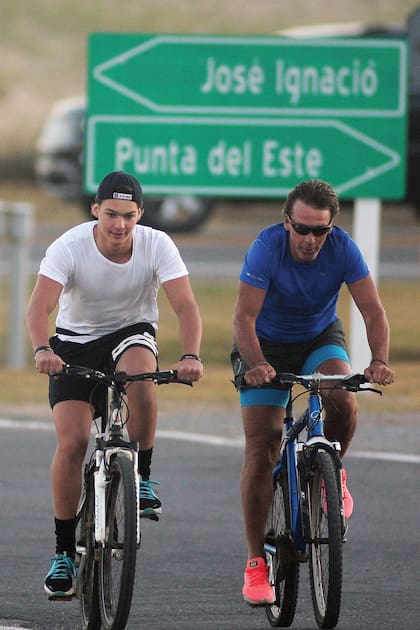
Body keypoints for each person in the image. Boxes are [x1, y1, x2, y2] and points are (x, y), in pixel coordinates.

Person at [25, 170, 204, 599]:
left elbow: (186, 307)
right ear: (95, 211)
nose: (119, 225)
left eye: (128, 215)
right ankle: (64, 552)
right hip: (74, 345)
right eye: (110, 214)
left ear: (140, 214)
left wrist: (192, 355)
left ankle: (141, 476)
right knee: (72, 442)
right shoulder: (69, 246)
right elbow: (39, 307)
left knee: (141, 376)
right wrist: (41, 350)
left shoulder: (157, 244)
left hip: (131, 332)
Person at [231, 179, 394, 607]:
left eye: (319, 231)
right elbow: (243, 318)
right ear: (287, 223)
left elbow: (372, 309)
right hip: (263, 344)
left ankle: (331, 471)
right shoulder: (266, 248)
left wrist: (378, 359)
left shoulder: (343, 249)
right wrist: (258, 365)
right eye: (301, 229)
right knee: (262, 444)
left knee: (343, 397)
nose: (309, 239)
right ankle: (255, 564)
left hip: (319, 336)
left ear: (331, 228)